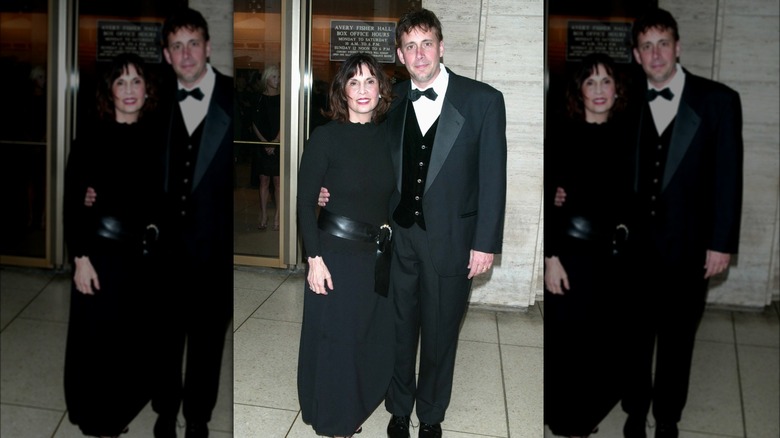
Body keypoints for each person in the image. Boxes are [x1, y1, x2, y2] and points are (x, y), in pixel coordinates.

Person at [620, 8, 743, 438]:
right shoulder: (626, 98)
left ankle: (668, 417)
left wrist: (721, 243)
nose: (656, 54)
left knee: (677, 341)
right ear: (637, 55)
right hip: (635, 249)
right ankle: (635, 411)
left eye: (663, 44)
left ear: (678, 47)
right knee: (635, 338)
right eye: (647, 46)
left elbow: (729, 178)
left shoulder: (718, 102)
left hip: (689, 247)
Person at [63, 52, 163, 438]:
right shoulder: (91, 134)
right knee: (96, 342)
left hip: (141, 257)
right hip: (100, 253)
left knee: (131, 341)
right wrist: (80, 258)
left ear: (146, 87)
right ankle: (98, 419)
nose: (129, 89)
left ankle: (119, 409)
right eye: (120, 82)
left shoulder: (157, 136)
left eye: (136, 80)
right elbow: (73, 202)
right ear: (110, 90)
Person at [297, 52, 395, 438]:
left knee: (367, 338)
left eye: (370, 80)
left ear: (381, 89)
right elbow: (306, 201)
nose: (363, 89)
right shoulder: (325, 137)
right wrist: (313, 259)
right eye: (353, 82)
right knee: (337, 341)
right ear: (342, 91)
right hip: (334, 253)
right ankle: (337, 419)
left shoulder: (389, 138)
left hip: (376, 256)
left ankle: (357, 401)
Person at [151, 8, 234, 438]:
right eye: (177, 46)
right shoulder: (154, 100)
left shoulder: (231, 97)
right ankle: (165, 411)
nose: (186, 54)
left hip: (214, 253)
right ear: (167, 55)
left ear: (208, 47)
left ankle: (198, 416)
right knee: (164, 338)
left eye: (193, 44)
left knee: (206, 343)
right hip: (164, 252)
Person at [543, 52, 634, 438]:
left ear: (617, 89)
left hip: (615, 257)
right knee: (571, 344)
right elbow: (547, 198)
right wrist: (551, 257)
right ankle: (569, 422)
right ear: (578, 90)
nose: (599, 90)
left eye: (606, 81)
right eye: (590, 82)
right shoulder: (562, 134)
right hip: (573, 255)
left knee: (605, 342)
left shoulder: (631, 135)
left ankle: (591, 411)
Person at [250, 64, 281, 230]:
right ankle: (263, 214)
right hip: (262, 145)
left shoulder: (283, 97)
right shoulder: (259, 98)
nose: (278, 80)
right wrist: (264, 143)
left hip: (279, 143)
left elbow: (286, 120)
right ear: (266, 78)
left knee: (278, 181)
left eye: (279, 76)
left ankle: (278, 216)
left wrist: (276, 141)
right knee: (263, 180)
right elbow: (254, 122)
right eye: (274, 76)